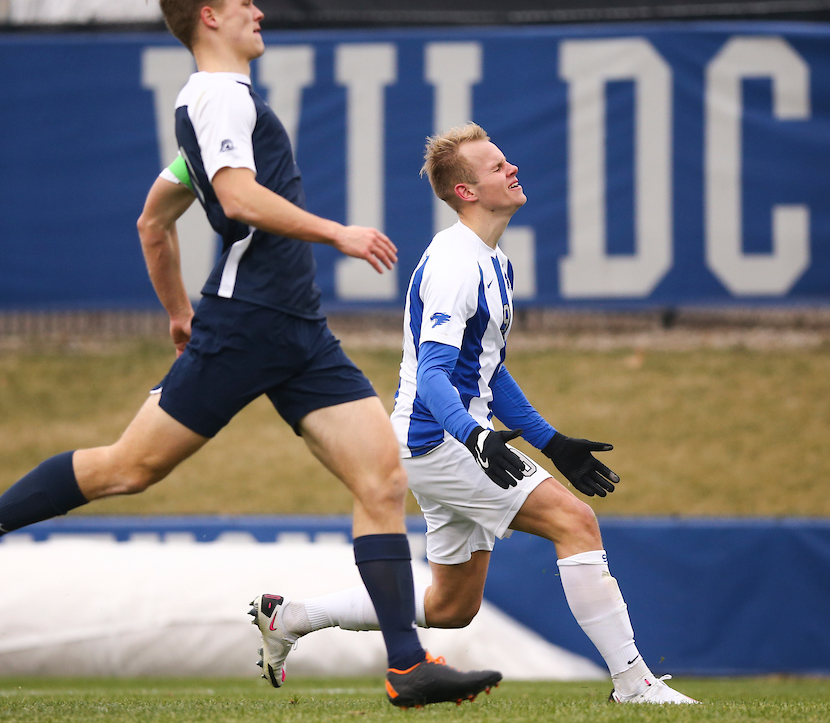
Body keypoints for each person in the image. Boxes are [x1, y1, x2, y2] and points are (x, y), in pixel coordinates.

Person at [0, 0, 501, 709]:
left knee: (380, 477)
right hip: (252, 322)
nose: (260, 11)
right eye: (245, 1)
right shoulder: (219, 95)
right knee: (128, 469)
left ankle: (407, 665)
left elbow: (155, 221)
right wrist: (337, 234)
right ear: (209, 18)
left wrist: (177, 313)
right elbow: (237, 196)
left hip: (294, 333)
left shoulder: (220, 104)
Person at [251, 123, 698, 705]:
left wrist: (550, 440)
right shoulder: (458, 265)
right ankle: (633, 682)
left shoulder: (493, 262)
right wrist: (476, 437)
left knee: (451, 607)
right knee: (575, 522)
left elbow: (486, 371)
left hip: (445, 442)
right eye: (495, 168)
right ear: (465, 192)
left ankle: (290, 617)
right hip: (440, 443)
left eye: (506, 162)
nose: (511, 170)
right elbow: (436, 376)